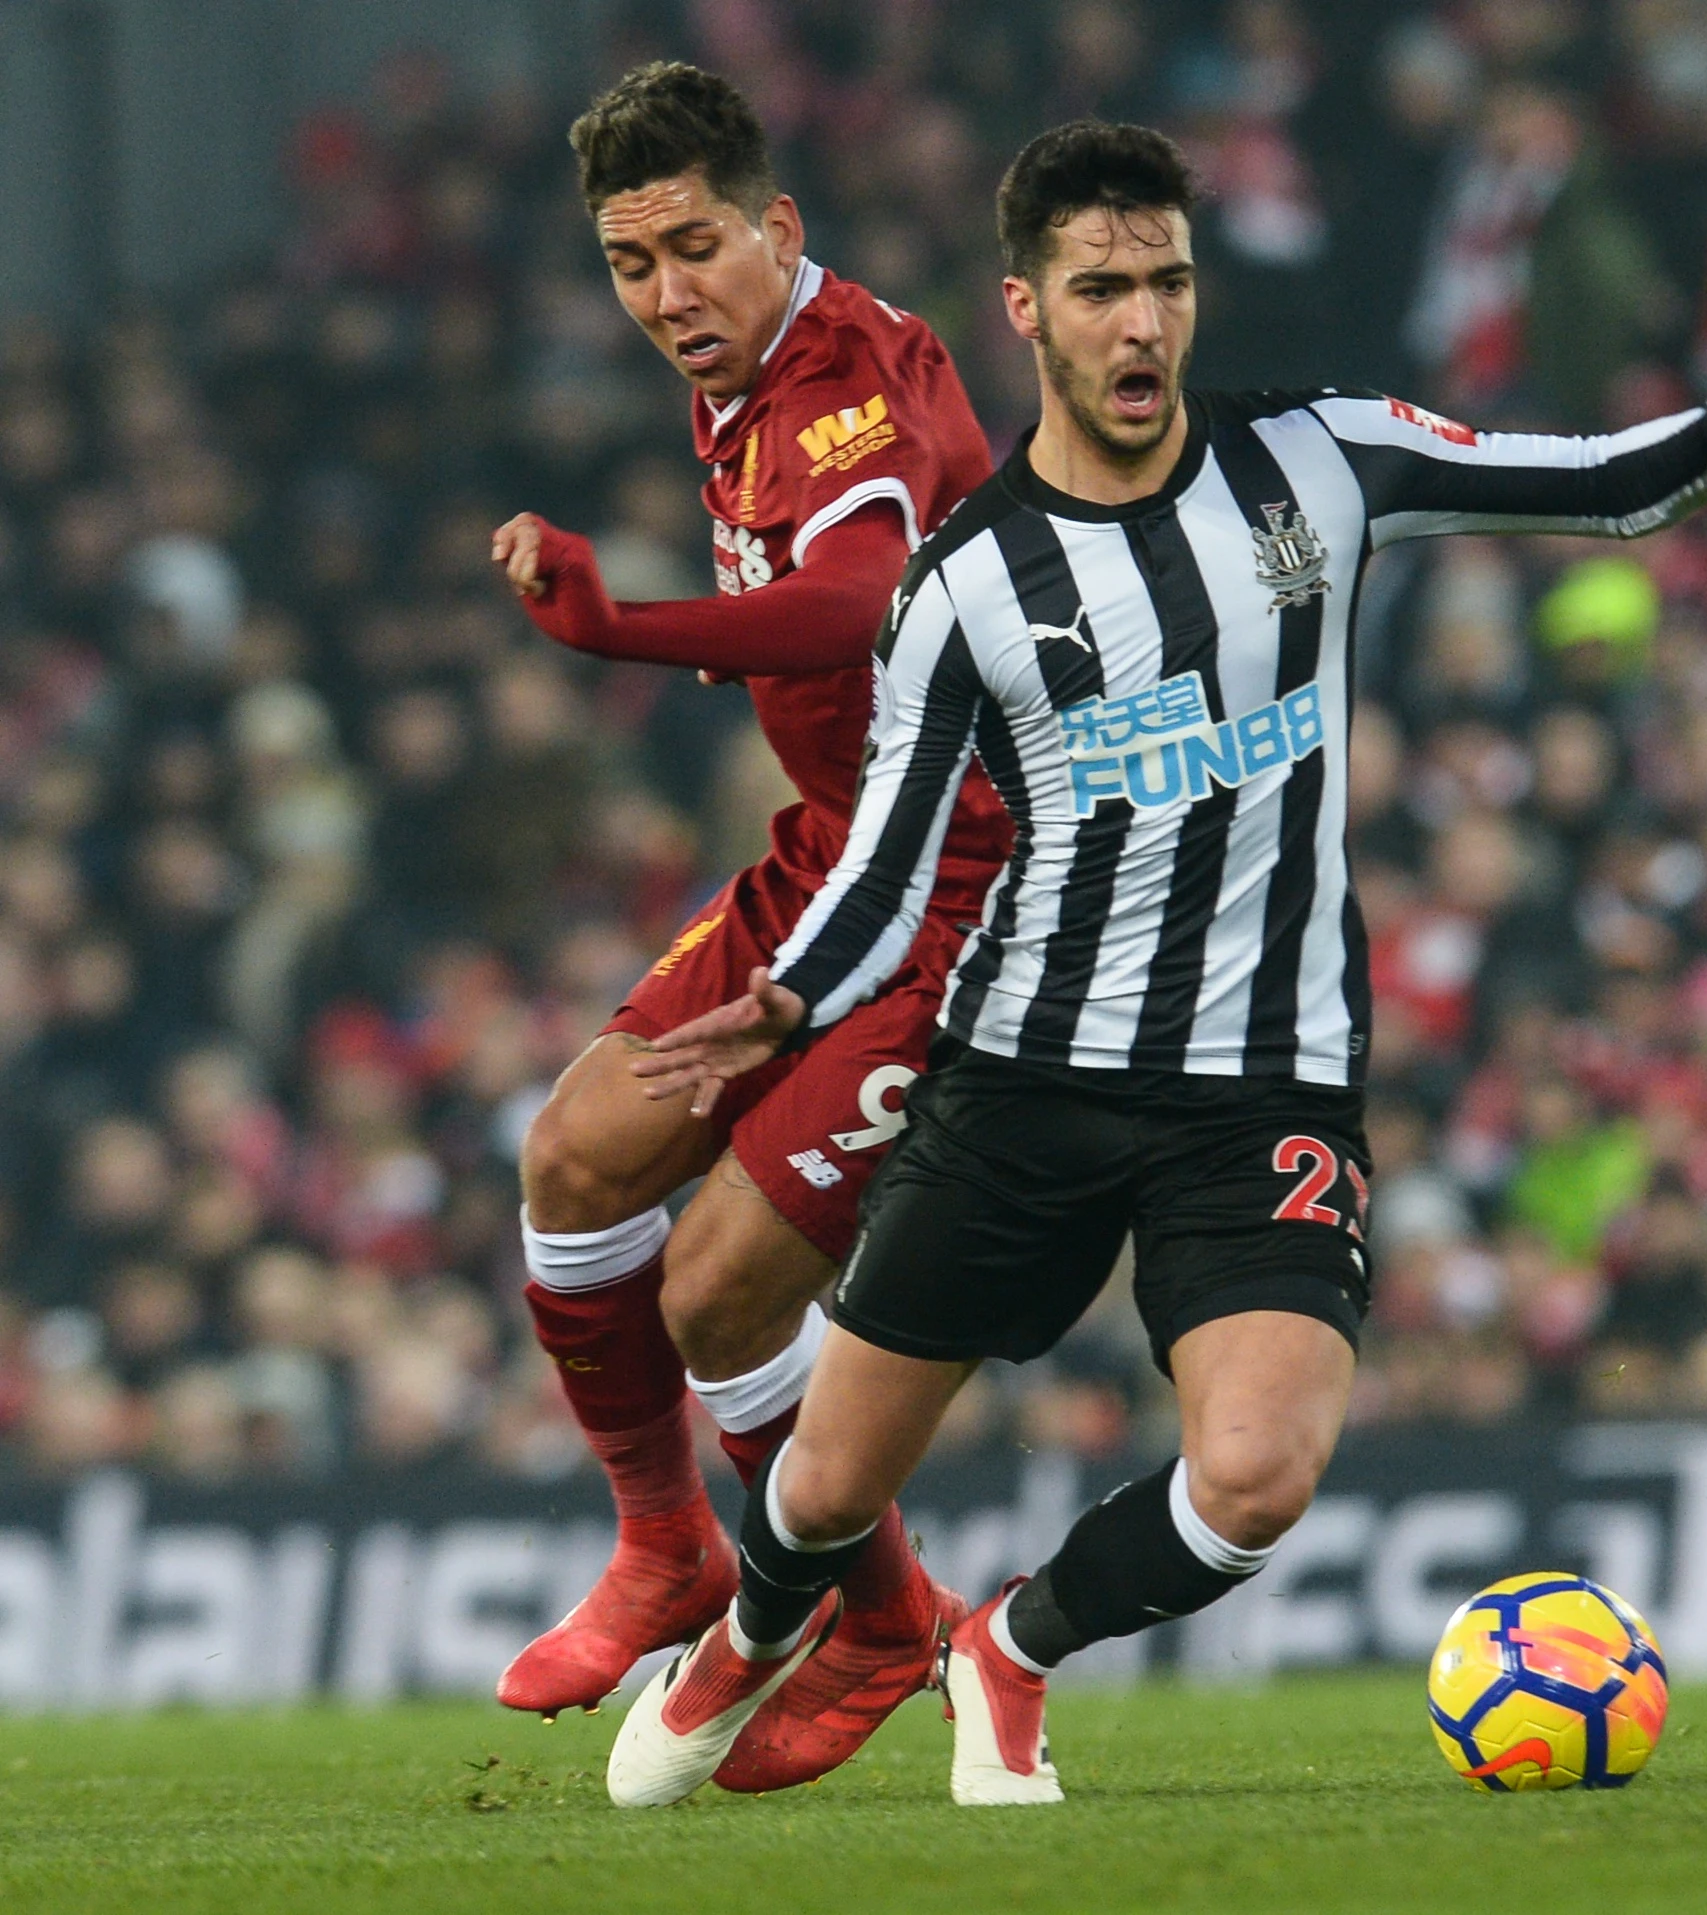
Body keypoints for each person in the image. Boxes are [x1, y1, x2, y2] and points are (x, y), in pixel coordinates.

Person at [599, 119, 1707, 1810]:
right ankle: (756, 1629)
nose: (1143, 324)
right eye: (1103, 289)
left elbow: (1564, 477)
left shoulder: (1319, 463)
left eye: (1168, 284)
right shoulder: (968, 582)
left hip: (1263, 1081)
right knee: (822, 1491)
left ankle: (1014, 1646)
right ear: (1028, 312)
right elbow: (893, 854)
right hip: (1026, 1079)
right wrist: (790, 1001)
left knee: (1258, 1478)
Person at [483, 62, 1011, 1792]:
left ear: (776, 225)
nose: (666, 298)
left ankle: (882, 1615)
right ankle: (670, 1551)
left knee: (714, 1290)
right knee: (570, 1161)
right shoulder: (751, 368)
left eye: (696, 249)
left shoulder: (842, 387)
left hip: (967, 888)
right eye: (633, 267)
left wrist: (625, 624)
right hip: (828, 846)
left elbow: (860, 593)